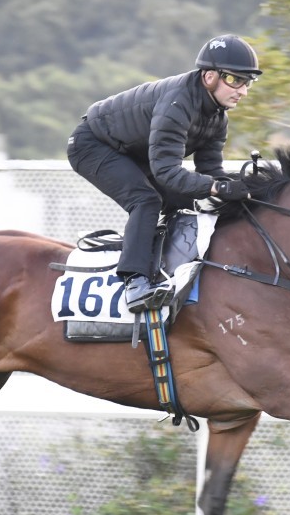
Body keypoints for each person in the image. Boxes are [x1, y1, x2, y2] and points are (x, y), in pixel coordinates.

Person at [67, 34, 261, 312]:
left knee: (189, 200)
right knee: (146, 200)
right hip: (93, 144)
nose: (242, 90)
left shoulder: (218, 118)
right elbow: (167, 173)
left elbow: (211, 172)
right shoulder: (178, 104)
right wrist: (218, 188)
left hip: (134, 152)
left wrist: (237, 188)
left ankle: (171, 267)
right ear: (209, 77)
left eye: (248, 82)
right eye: (235, 80)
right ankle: (135, 283)